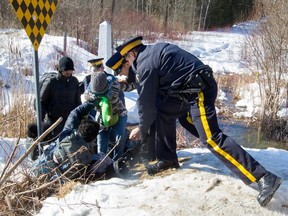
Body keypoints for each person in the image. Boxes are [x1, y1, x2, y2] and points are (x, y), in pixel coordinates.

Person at [116, 36, 283, 206]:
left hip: (198, 92)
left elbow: (146, 104)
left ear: (132, 54)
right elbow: (150, 87)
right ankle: (168, 159)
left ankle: (264, 177)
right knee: (164, 112)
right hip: (186, 91)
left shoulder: (145, 63)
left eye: (127, 60)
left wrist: (141, 128)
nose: (128, 65)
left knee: (210, 137)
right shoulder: (151, 53)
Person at [32, 101, 129, 180]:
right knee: (103, 159)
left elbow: (74, 114)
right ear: (93, 139)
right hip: (55, 182)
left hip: (36, 169)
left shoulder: (67, 135)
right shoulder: (88, 157)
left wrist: (92, 102)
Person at [86, 71, 129, 161]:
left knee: (119, 139)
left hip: (119, 113)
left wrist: (137, 81)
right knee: (101, 142)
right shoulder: (89, 93)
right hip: (102, 118)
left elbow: (128, 86)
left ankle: (117, 162)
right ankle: (101, 163)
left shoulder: (114, 84)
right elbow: (85, 105)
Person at [40, 56, 82, 136]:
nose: (68, 73)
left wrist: (80, 116)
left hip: (70, 121)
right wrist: (40, 120)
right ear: (61, 70)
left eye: (70, 70)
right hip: (54, 122)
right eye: (66, 71)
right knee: (55, 145)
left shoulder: (74, 81)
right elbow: (42, 101)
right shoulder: (52, 82)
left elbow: (78, 101)